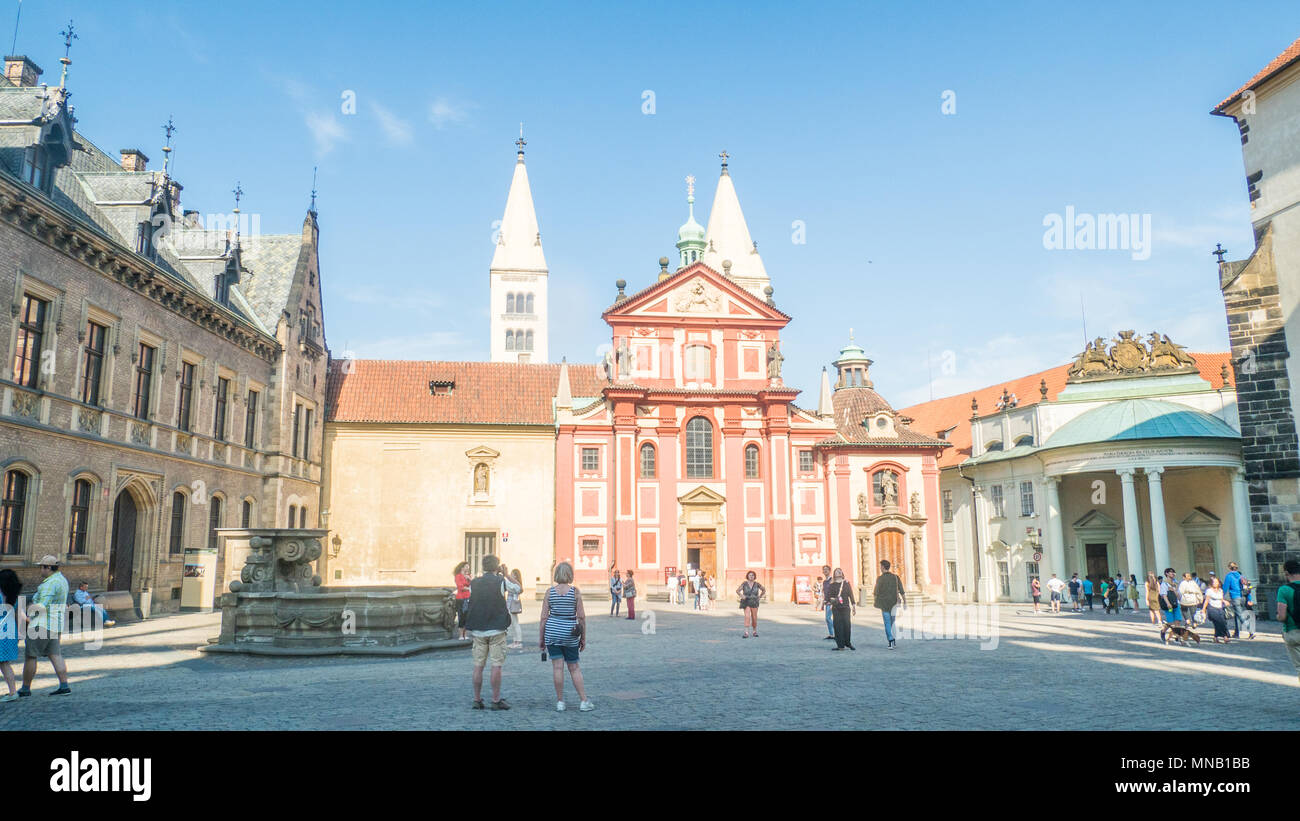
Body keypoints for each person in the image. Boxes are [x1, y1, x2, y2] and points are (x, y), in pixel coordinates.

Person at [463, 554, 518, 710]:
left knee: (478, 666)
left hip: (479, 629)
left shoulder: (474, 583)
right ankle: (495, 700)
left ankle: (477, 699)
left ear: (483, 567)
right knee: (496, 665)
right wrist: (506, 574)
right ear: (497, 567)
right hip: (497, 629)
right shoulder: (501, 581)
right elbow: (519, 588)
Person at [541, 561, 594, 712]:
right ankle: (584, 701)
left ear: (556, 574)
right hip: (570, 633)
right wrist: (583, 638)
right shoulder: (575, 592)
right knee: (574, 667)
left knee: (557, 667)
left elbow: (543, 618)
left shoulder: (549, 592)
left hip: (552, 632)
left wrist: (541, 638)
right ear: (570, 575)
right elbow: (582, 617)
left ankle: (560, 702)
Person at [19, 556, 71, 697]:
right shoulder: (62, 580)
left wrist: (28, 616)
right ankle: (64, 685)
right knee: (55, 654)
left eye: (41, 567)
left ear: (48, 568)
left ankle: (25, 688)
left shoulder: (49, 584)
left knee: (31, 656)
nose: (40, 569)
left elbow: (41, 605)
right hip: (56, 625)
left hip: (41, 625)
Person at [1275, 559, 1300, 684]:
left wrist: (1278, 617)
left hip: (1293, 631)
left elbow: (1282, 616)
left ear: (1287, 573)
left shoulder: (1284, 590)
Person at [872, 559, 906, 649]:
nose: (880, 568)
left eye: (880, 566)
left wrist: (876, 601)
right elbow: (902, 590)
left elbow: (876, 592)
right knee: (892, 622)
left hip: (884, 604)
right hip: (894, 604)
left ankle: (891, 640)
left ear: (883, 567)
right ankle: (893, 640)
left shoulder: (880, 578)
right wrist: (905, 601)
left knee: (887, 623)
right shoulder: (896, 577)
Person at [1223, 562, 1255, 640]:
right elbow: (1247, 588)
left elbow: (1225, 588)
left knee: (1240, 615)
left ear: (1229, 568)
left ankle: (1251, 631)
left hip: (1235, 597)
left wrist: (1221, 597)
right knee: (1237, 614)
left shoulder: (1229, 576)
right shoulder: (1241, 576)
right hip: (1243, 597)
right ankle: (1236, 633)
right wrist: (1249, 599)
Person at [825, 568, 856, 650]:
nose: (838, 573)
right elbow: (829, 597)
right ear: (834, 574)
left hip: (846, 607)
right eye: (836, 572)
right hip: (836, 608)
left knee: (847, 626)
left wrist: (853, 605)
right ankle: (840, 646)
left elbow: (851, 595)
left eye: (839, 571)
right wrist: (831, 600)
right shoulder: (832, 585)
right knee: (838, 627)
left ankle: (848, 643)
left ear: (842, 574)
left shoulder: (846, 583)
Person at [0, 569, 18, 701]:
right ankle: (13, 692)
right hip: (10, 632)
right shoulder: (14, 596)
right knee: (5, 663)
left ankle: (13, 693)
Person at [1200, 576, 1231, 644]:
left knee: (1220, 623)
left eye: (1217, 582)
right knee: (1221, 623)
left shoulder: (1220, 590)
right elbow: (1206, 600)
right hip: (1212, 609)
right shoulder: (1209, 591)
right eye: (1214, 582)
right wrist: (1203, 609)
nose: (1215, 583)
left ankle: (1215, 637)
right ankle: (1225, 637)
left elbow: (1221, 599)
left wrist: (1225, 601)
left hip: (1220, 608)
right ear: (1211, 583)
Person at [736, 571, 765, 638]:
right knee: (747, 616)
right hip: (746, 601)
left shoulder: (757, 584)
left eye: (752, 575)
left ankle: (754, 631)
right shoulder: (744, 583)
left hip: (754, 601)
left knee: (754, 618)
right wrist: (741, 595)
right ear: (747, 576)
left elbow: (764, 590)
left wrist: (760, 596)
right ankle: (746, 632)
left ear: (754, 576)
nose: (751, 576)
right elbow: (737, 590)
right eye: (750, 575)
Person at [506, 568, 525, 649]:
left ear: (516, 576)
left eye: (512, 574)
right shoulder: (514, 583)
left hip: (512, 605)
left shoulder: (516, 584)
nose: (511, 575)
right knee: (514, 623)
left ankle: (518, 642)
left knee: (515, 623)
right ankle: (515, 641)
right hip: (511, 604)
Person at [453, 561, 472, 640]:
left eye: (468, 566)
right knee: (461, 616)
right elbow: (460, 587)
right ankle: (461, 635)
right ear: (462, 568)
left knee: (467, 616)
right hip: (461, 598)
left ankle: (465, 634)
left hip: (468, 598)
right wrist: (469, 588)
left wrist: (470, 579)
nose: (468, 568)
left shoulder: (468, 576)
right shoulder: (458, 576)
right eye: (466, 566)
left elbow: (473, 584)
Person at [819, 564, 835, 639]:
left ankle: (835, 633)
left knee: (828, 618)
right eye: (824, 569)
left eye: (826, 569)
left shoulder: (832, 580)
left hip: (831, 602)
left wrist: (832, 602)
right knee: (827, 618)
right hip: (826, 602)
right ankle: (831, 634)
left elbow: (834, 591)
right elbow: (824, 592)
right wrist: (822, 603)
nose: (825, 571)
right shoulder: (825, 581)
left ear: (829, 571)